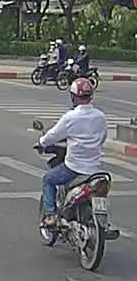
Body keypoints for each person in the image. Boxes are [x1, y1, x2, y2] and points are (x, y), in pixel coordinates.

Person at [37, 78, 106, 227]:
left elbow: (53, 135)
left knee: (48, 179)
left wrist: (42, 142)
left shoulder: (71, 117)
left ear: (73, 97)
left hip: (74, 168)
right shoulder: (100, 116)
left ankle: (50, 215)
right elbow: (102, 138)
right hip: (94, 169)